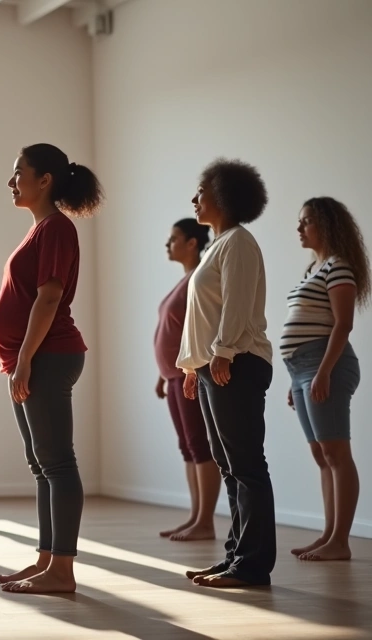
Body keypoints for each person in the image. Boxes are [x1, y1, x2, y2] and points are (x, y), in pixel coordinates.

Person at [0, 143, 102, 595]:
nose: (11, 180)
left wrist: (24, 361)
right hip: (33, 359)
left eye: (19, 172)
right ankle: (45, 560)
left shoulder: (56, 228)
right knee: (42, 465)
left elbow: (50, 297)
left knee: (57, 462)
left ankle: (62, 570)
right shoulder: (40, 229)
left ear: (45, 181)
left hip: (48, 357)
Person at [178, 158, 275, 588]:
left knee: (246, 465)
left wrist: (220, 352)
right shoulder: (218, 245)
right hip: (214, 366)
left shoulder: (238, 242)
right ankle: (236, 556)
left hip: (236, 362)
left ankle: (251, 566)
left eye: (200, 192)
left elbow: (235, 306)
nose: (194, 199)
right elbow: (202, 314)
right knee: (229, 465)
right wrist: (191, 364)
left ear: (222, 195)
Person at [281, 197, 367, 562]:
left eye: (306, 222)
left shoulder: (338, 267)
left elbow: (342, 324)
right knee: (321, 454)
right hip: (302, 369)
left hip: (324, 365)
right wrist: (296, 378)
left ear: (326, 225)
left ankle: (341, 541)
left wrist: (324, 371)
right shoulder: (312, 268)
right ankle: (328, 535)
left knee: (336, 453)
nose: (299, 228)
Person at [154, 219, 221, 541]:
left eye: (173, 238)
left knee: (199, 446)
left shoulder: (200, 278)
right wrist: (162, 373)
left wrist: (183, 371)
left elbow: (198, 331)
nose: (168, 245)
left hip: (189, 376)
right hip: (173, 377)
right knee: (187, 448)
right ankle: (195, 516)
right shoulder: (185, 281)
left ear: (192, 243)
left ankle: (205, 521)